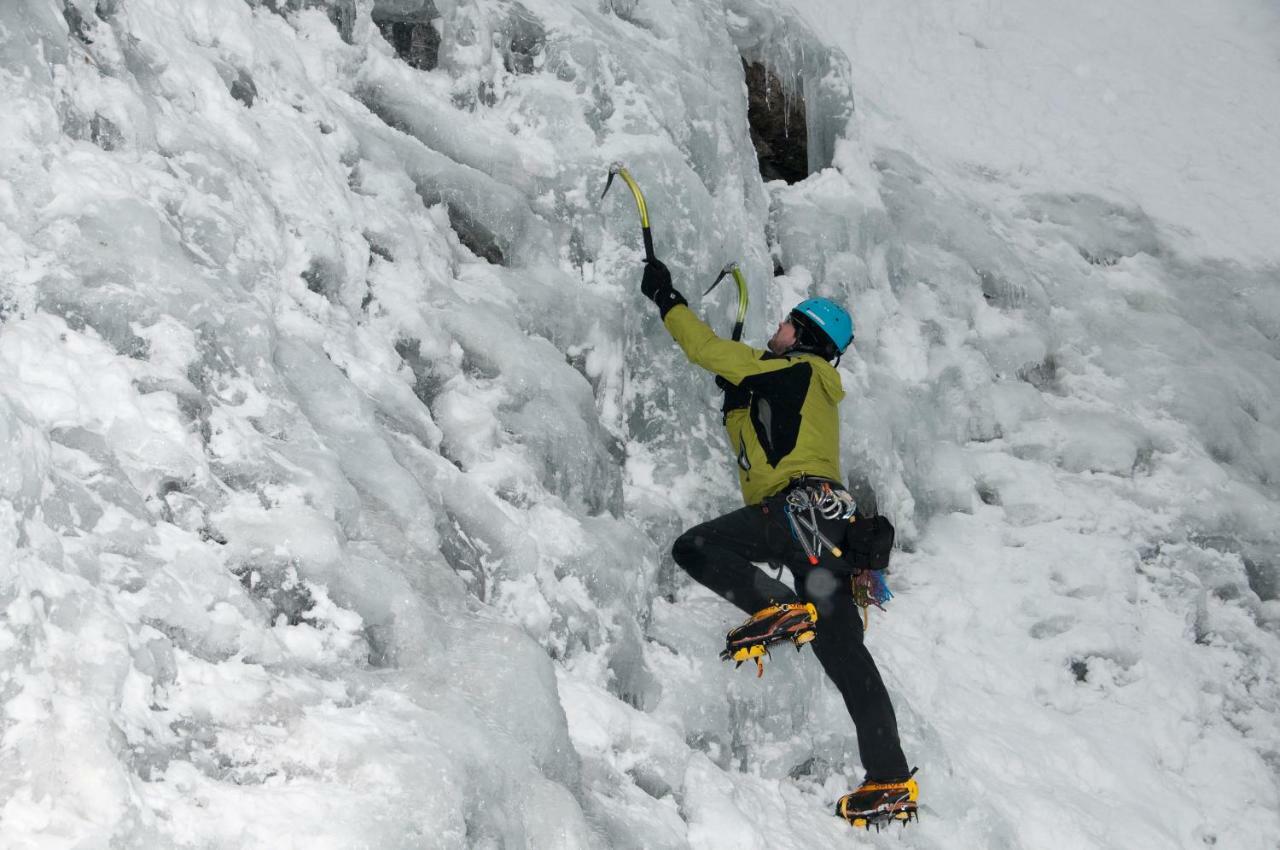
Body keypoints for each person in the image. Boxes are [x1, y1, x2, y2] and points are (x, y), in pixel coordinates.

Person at [640, 258, 918, 829]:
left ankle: (773, 606)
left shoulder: (793, 370)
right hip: (831, 528)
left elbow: (708, 350)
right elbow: (764, 428)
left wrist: (667, 297)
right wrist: (740, 397)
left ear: (806, 337)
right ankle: (891, 781)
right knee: (846, 656)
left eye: (790, 323)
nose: (780, 328)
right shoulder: (803, 384)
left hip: (799, 513)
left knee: (695, 548)